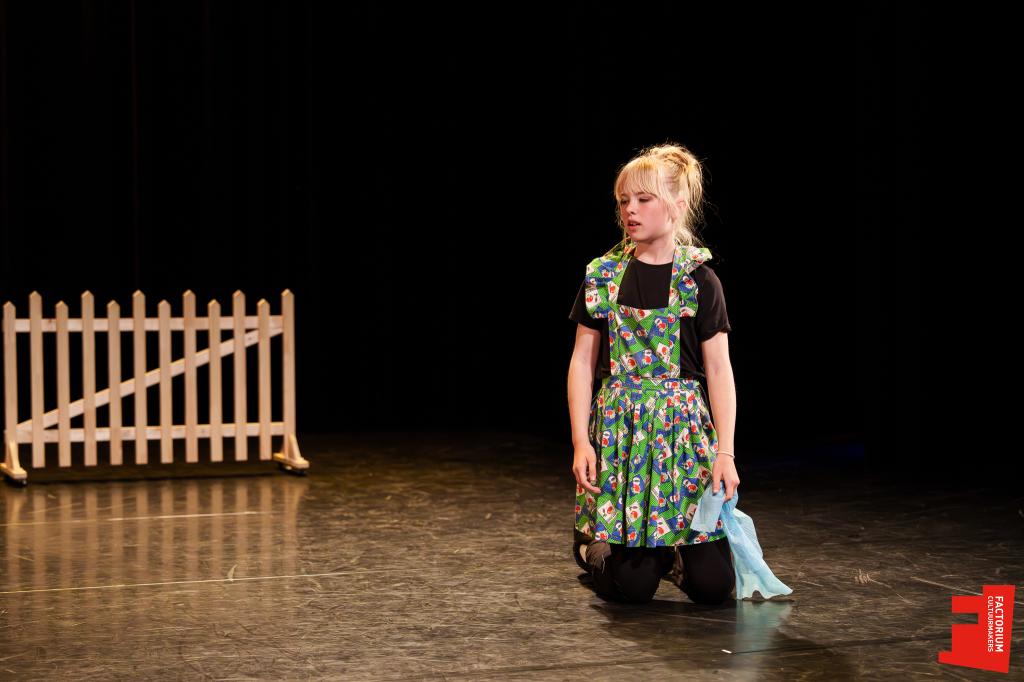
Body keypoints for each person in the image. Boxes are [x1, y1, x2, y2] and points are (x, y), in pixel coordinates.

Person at [567, 143, 739, 605]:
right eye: (624, 200)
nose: (630, 209)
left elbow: (718, 369)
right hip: (622, 434)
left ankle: (673, 552)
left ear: (677, 206)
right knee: (631, 588)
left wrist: (725, 452)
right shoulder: (604, 276)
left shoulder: (699, 281)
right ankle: (594, 546)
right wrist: (582, 441)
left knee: (714, 587)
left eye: (644, 199)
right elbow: (582, 362)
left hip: (682, 435)